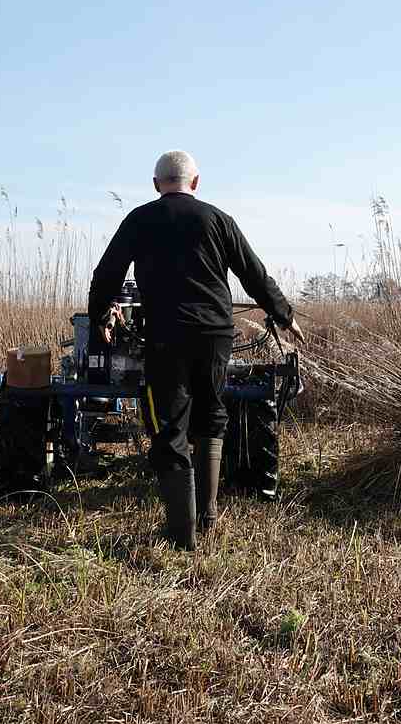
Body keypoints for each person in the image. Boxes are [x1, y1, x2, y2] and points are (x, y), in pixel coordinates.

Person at [87, 150, 304, 551]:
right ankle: (207, 517)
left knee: (169, 426)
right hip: (216, 334)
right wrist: (283, 314)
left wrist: (101, 312)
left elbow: (107, 273)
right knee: (211, 416)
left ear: (156, 184)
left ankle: (182, 534)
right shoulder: (218, 219)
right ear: (196, 182)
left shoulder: (139, 219)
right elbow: (253, 272)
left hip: (166, 337)